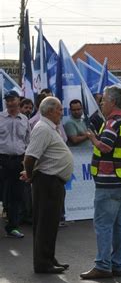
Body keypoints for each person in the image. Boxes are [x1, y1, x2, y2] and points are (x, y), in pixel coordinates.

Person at [81, 86, 121, 279]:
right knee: (119, 225)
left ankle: (103, 265)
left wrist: (92, 138)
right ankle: (117, 265)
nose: (101, 103)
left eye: (104, 100)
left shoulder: (113, 123)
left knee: (103, 225)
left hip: (109, 183)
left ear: (113, 102)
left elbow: (104, 147)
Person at [21, 96, 73, 273]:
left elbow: (42, 158)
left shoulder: (50, 128)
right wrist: (30, 175)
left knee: (50, 223)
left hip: (52, 181)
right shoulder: (43, 128)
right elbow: (30, 157)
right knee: (45, 223)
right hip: (47, 182)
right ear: (50, 111)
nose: (61, 112)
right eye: (59, 109)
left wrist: (31, 172)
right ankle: (43, 263)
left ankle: (49, 258)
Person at [0, 90, 30, 239]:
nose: (10, 102)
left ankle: (12, 227)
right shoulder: (0, 118)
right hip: (2, 160)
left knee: (16, 195)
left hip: (18, 160)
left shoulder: (25, 119)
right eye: (8, 100)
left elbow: (28, 141)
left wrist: (26, 160)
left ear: (19, 100)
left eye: (12, 99)